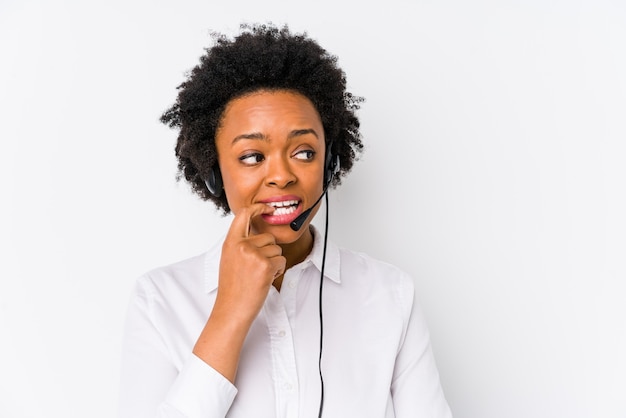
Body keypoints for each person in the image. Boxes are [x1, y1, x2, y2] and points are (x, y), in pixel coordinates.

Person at [118, 23, 453, 418]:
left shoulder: (390, 294)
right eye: (252, 157)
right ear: (214, 172)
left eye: (304, 152)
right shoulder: (161, 300)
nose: (281, 175)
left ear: (329, 164)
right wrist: (231, 310)